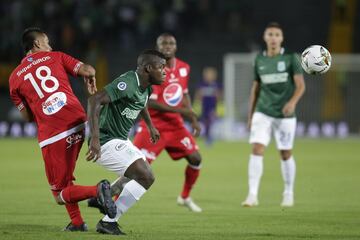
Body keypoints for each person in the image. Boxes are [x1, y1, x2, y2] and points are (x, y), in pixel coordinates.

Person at [8, 27, 116, 231]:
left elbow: (28, 117)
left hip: (53, 134)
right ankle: (77, 223)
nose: (50, 45)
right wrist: (90, 79)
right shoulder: (56, 57)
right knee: (66, 181)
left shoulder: (14, 78)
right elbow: (89, 70)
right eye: (47, 41)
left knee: (59, 195)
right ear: (37, 44)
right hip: (77, 122)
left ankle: (98, 190)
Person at [86, 49, 166, 235]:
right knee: (146, 176)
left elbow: (142, 102)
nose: (164, 71)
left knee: (134, 175)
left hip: (120, 139)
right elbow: (94, 100)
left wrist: (150, 125)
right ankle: (109, 222)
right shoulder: (128, 83)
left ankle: (100, 199)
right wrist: (95, 139)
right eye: (161, 67)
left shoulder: (146, 86)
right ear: (148, 68)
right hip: (105, 141)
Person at [133, 33, 203, 212]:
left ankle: (185, 197)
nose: (167, 46)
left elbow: (184, 94)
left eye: (171, 43)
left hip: (176, 126)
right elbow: (149, 102)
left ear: (176, 46)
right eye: (163, 43)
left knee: (196, 158)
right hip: (153, 125)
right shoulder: (152, 69)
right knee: (136, 168)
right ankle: (112, 201)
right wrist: (182, 111)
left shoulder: (184, 68)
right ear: (158, 47)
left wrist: (193, 119)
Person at [242, 22, 305, 207]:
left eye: (277, 34)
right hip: (263, 112)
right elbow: (255, 88)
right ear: (265, 37)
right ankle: (252, 195)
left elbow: (301, 86)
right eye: (270, 34)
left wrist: (292, 103)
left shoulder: (291, 58)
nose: (273, 38)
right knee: (257, 149)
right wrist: (250, 116)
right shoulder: (259, 60)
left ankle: (288, 192)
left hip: (285, 114)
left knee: (285, 153)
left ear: (282, 38)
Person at [194, 66, 222, 145]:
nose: (209, 76)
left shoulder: (216, 85)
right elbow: (197, 96)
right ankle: (204, 136)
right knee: (204, 123)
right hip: (203, 107)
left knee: (210, 122)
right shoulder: (201, 84)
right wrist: (197, 103)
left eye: (211, 75)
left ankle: (209, 138)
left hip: (212, 108)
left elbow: (219, 97)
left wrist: (218, 107)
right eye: (207, 75)